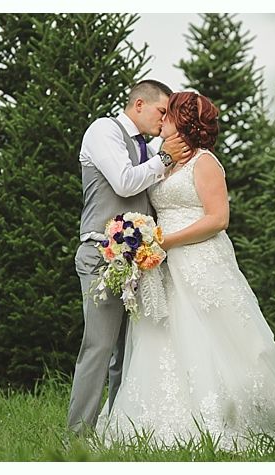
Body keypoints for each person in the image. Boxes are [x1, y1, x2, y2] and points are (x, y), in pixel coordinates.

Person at [96, 91, 275, 450]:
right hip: (162, 261)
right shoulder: (167, 162)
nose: (161, 121)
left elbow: (218, 219)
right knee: (164, 337)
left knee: (212, 334)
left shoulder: (205, 162)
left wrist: (166, 242)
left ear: (182, 122)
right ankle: (162, 421)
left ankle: (230, 417)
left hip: (199, 257)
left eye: (168, 115)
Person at [69, 79, 193, 436]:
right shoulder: (103, 130)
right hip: (99, 255)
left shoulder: (148, 146)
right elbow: (124, 182)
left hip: (139, 260)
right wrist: (166, 157)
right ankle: (76, 438)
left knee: (128, 353)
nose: (164, 119)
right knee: (99, 347)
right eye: (161, 111)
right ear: (139, 104)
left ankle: (113, 433)